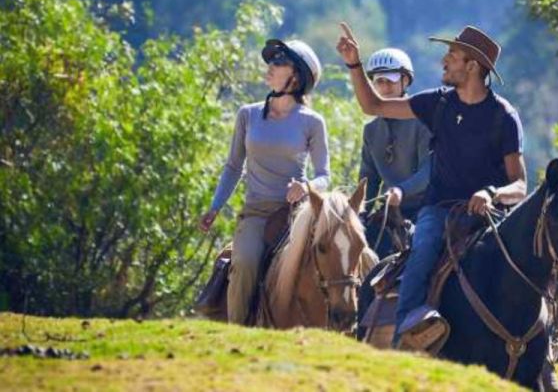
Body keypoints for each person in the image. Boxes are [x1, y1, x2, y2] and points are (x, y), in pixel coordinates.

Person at [336, 23, 527, 349]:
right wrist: (354, 64)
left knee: (526, 265)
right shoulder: (437, 104)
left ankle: (539, 346)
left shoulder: (503, 116)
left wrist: (491, 193)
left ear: (472, 66)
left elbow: (521, 185)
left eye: (451, 55)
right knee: (421, 256)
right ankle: (405, 341)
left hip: (489, 216)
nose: (443, 62)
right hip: (439, 211)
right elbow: (374, 106)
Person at [198, 38, 330, 325]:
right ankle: (238, 331)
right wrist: (215, 206)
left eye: (279, 62)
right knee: (244, 263)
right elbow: (234, 166)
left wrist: (306, 188)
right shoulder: (247, 114)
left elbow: (324, 176)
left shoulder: (312, 121)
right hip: (257, 213)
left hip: (297, 216)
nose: (270, 67)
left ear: (296, 77)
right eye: (272, 60)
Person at [359, 48, 432, 222]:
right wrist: (360, 212)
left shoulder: (424, 122)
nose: (384, 87)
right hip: (389, 210)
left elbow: (428, 171)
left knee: (423, 247)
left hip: (426, 207)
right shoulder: (371, 130)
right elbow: (368, 179)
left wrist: (401, 190)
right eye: (379, 81)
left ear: (405, 81)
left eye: (390, 81)